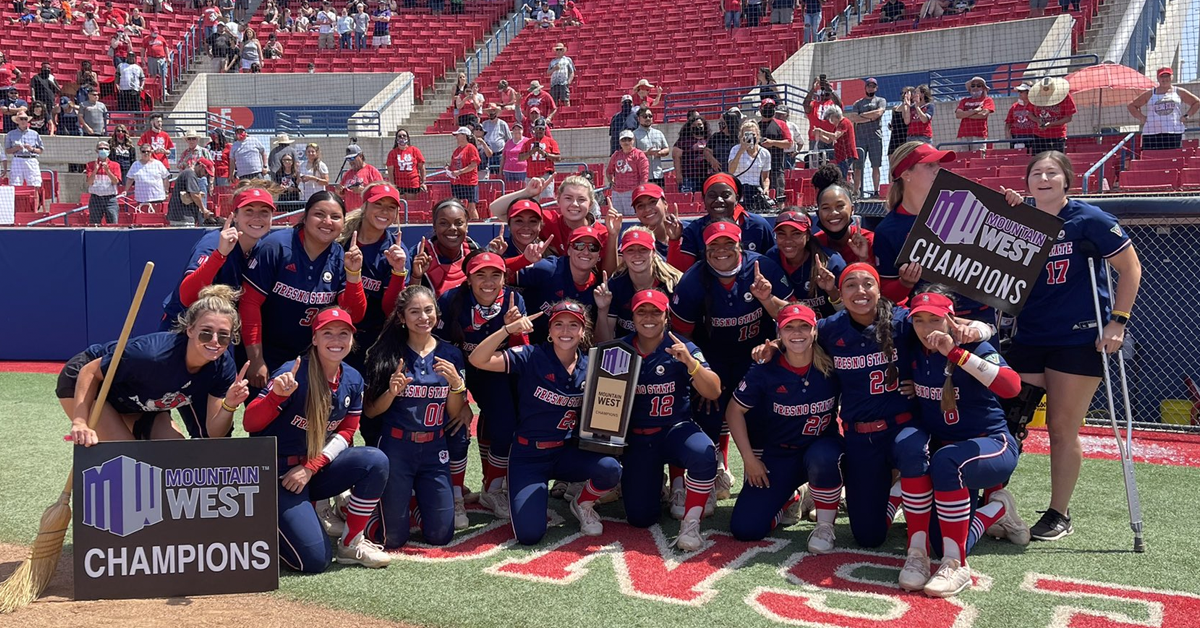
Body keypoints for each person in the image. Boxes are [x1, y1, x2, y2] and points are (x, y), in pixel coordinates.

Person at [999, 151, 1141, 541]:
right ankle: (992, 503)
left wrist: (1119, 321)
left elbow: (1130, 268)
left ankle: (1059, 512)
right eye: (1036, 173)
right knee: (1010, 421)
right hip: (1028, 335)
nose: (1043, 178)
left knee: (1062, 427)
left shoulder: (1089, 219)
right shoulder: (1021, 220)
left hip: (1076, 338)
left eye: (1052, 172)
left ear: (1066, 180)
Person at [893, 290, 1028, 597]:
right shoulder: (913, 347)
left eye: (935, 319)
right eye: (920, 321)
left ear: (951, 319)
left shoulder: (972, 344)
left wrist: (958, 352)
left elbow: (1011, 387)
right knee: (911, 448)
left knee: (945, 461)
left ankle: (957, 566)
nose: (928, 328)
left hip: (991, 445)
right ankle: (924, 551)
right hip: (950, 456)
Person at [244, 308, 392, 571]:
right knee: (314, 561)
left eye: (343, 334)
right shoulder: (293, 372)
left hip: (312, 470)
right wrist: (275, 397)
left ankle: (351, 543)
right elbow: (250, 423)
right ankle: (263, 521)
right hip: (278, 474)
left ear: (351, 340)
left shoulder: (353, 378)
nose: (336, 340)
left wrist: (311, 467)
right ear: (314, 338)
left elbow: (347, 432)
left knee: (374, 460)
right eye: (328, 333)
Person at [468, 300, 623, 544]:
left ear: (583, 332)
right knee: (529, 535)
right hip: (529, 455)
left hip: (566, 453)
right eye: (558, 324)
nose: (565, 331)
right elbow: (479, 360)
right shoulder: (532, 356)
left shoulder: (593, 364)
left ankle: (582, 502)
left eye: (573, 325)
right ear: (549, 330)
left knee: (610, 469)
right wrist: (507, 330)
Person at [670, 218, 793, 501]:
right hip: (714, 359)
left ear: (740, 245)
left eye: (729, 243)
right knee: (707, 407)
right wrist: (699, 369)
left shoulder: (763, 268)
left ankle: (781, 486)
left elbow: (792, 318)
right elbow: (681, 334)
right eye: (714, 245)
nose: (721, 250)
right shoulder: (693, 280)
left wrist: (768, 304)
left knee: (763, 419)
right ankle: (710, 474)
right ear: (704, 248)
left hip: (757, 359)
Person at [726, 303, 844, 552]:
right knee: (745, 529)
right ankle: (793, 497)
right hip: (780, 453)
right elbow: (734, 410)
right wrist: (749, 459)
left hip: (821, 450)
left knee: (823, 456)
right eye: (789, 327)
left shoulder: (832, 364)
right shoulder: (766, 367)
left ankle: (825, 525)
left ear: (814, 331)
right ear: (779, 332)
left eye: (804, 326)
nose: (797, 332)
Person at [66, 286, 247, 446]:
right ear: (190, 330)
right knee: (130, 458)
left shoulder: (222, 366)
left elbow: (215, 434)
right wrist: (79, 421)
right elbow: (90, 371)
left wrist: (229, 405)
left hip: (141, 403)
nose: (215, 341)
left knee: (175, 454)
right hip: (91, 384)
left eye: (223, 336)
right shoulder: (153, 355)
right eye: (206, 333)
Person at [611, 289, 720, 549]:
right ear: (632, 316)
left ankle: (691, 524)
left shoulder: (682, 347)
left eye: (655, 312)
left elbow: (714, 390)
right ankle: (654, 482)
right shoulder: (620, 350)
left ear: (666, 315)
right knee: (640, 518)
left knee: (704, 452)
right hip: (638, 439)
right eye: (642, 312)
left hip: (675, 430)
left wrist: (690, 364)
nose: (649, 317)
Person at [361, 285, 466, 547]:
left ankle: (419, 505)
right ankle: (370, 510)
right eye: (415, 311)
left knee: (441, 535)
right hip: (397, 446)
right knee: (392, 539)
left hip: (434, 447)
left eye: (428, 310)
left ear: (437, 313)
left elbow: (454, 413)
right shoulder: (387, 354)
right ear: (402, 318)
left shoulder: (451, 354)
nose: (423, 317)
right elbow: (371, 411)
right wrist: (391, 392)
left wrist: (456, 385)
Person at [240, 192, 368, 388]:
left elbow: (354, 314)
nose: (327, 221)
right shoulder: (277, 246)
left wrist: (354, 274)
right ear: (305, 216)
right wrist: (256, 358)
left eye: (335, 217)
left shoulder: (341, 257)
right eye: (319, 214)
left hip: (312, 356)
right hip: (268, 351)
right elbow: (249, 303)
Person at [160, 186, 275, 345]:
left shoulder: (261, 248)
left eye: (264, 212)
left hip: (218, 334)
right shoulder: (213, 243)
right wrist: (220, 254)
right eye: (248, 211)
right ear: (235, 216)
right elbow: (186, 297)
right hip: (183, 329)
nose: (257, 218)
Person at [512, 225, 604, 343]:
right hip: (532, 348)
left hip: (569, 351)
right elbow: (504, 276)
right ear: (569, 250)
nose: (586, 252)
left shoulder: (598, 289)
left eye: (593, 247)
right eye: (579, 246)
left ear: (599, 255)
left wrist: (604, 309)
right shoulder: (548, 269)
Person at [671, 172, 775, 271]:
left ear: (737, 198)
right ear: (704, 199)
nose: (719, 200)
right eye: (712, 195)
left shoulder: (758, 225)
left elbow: (774, 263)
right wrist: (674, 241)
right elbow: (680, 272)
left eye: (726, 195)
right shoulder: (694, 230)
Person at [594, 225, 682, 340]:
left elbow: (684, 334)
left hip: (666, 352)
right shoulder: (616, 284)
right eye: (630, 250)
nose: (637, 255)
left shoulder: (672, 284)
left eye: (643, 249)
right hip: (627, 351)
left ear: (654, 252)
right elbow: (604, 342)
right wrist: (603, 310)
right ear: (623, 255)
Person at [763, 210, 845, 318]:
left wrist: (831, 291)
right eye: (781, 234)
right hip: (790, 330)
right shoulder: (771, 258)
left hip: (827, 330)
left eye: (796, 234)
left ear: (807, 235)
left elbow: (847, 311)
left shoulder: (831, 262)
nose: (788, 240)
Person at [1128, 67, 1200, 151]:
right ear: (1158, 78)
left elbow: (1196, 102)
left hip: (1174, 132)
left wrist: (1186, 116)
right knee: (1151, 158)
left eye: (1167, 76)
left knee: (1173, 158)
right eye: (1162, 76)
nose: (1165, 79)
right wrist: (1142, 118)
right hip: (1152, 132)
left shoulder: (1179, 91)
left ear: (1172, 77)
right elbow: (1131, 105)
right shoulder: (1150, 93)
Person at [812, 175, 873, 265]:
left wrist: (863, 258)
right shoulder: (815, 244)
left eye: (840, 206)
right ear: (818, 214)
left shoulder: (870, 241)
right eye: (826, 208)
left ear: (852, 209)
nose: (833, 213)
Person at [847, 78, 887, 196]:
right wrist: (871, 117)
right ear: (865, 87)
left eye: (873, 86)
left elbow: (879, 113)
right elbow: (854, 118)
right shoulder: (858, 103)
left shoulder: (880, 100)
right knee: (858, 167)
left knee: (876, 165)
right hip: (860, 138)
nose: (871, 88)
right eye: (869, 86)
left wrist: (863, 116)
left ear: (876, 88)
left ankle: (875, 191)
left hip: (875, 137)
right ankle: (856, 191)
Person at [728, 121, 772, 211]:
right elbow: (731, 171)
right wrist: (741, 150)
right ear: (741, 136)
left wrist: (766, 188)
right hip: (738, 190)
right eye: (746, 134)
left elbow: (765, 177)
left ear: (758, 136)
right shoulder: (735, 149)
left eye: (753, 134)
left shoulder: (764, 153)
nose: (750, 137)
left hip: (754, 192)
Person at [606, 130, 650, 216]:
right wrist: (612, 181)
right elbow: (609, 171)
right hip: (617, 193)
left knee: (632, 217)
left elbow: (644, 176)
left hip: (631, 192)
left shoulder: (639, 155)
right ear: (620, 142)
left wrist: (640, 193)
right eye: (623, 140)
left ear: (633, 141)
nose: (626, 142)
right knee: (616, 217)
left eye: (629, 139)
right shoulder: (616, 155)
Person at [1028, 77, 1075, 154]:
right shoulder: (1034, 97)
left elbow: (1068, 118)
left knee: (1056, 160)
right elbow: (1030, 114)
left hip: (1057, 135)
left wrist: (1051, 124)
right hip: (1039, 135)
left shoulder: (1066, 97)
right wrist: (1038, 121)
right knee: (1038, 160)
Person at [518, 120, 560, 200]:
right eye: (537, 128)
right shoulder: (527, 143)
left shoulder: (551, 141)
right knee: (531, 202)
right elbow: (520, 158)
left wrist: (545, 154)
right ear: (534, 129)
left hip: (545, 177)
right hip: (531, 177)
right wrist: (531, 152)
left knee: (546, 201)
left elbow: (558, 158)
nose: (539, 131)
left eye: (541, 128)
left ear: (545, 129)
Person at [814, 105, 856, 183]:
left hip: (846, 155)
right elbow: (829, 140)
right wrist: (819, 135)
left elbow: (835, 136)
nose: (831, 121)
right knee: (841, 176)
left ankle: (846, 192)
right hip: (841, 156)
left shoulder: (844, 123)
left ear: (834, 116)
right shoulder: (838, 126)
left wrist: (821, 131)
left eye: (831, 118)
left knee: (842, 177)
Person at [448, 126, 482, 221]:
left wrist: (460, 172)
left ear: (464, 136)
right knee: (459, 207)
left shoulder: (471, 148)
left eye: (458, 135)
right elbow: (453, 165)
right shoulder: (457, 150)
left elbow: (473, 165)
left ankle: (476, 225)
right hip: (457, 183)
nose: (456, 137)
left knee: (471, 208)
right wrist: (449, 169)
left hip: (469, 182)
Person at [672, 115, 712, 194]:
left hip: (705, 176)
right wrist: (678, 174)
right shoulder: (683, 141)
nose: (698, 127)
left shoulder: (709, 140)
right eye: (695, 125)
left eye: (700, 125)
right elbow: (676, 156)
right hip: (688, 177)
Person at [167, 159, 214, 227]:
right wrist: (204, 210)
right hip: (183, 217)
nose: (205, 175)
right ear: (201, 166)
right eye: (205, 172)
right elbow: (195, 195)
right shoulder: (190, 174)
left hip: (180, 217)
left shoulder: (188, 173)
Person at [86, 141, 123, 224]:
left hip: (110, 199)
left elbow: (115, 181)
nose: (103, 150)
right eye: (100, 148)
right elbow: (89, 182)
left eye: (106, 148)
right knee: (94, 224)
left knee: (113, 224)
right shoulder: (90, 164)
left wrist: (107, 170)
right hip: (95, 199)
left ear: (109, 151)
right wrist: (95, 169)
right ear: (96, 150)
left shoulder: (115, 165)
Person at [125, 143, 170, 209]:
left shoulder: (158, 164)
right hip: (141, 199)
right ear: (140, 152)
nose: (146, 153)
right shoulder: (135, 164)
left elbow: (165, 178)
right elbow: (130, 179)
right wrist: (125, 190)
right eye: (143, 151)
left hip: (157, 197)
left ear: (151, 152)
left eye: (148, 151)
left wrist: (166, 191)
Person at [5, 113, 44, 191]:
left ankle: (35, 202)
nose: (23, 121)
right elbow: (7, 150)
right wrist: (16, 148)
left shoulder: (34, 134)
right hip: (17, 159)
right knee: (15, 184)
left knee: (35, 184)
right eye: (21, 119)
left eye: (25, 119)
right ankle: (17, 202)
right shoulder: (10, 134)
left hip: (31, 159)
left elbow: (41, 150)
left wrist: (31, 149)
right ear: (17, 120)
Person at [955, 77, 995, 153]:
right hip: (963, 135)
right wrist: (975, 111)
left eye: (978, 85)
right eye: (973, 86)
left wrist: (966, 114)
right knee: (962, 159)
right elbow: (958, 115)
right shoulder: (964, 100)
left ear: (983, 88)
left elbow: (983, 114)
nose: (975, 87)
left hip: (979, 135)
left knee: (978, 159)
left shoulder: (987, 100)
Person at [633, 108, 670, 187]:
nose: (648, 118)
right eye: (645, 116)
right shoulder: (634, 134)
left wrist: (660, 153)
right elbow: (632, 154)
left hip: (658, 174)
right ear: (638, 118)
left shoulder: (658, 133)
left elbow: (667, 149)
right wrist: (646, 153)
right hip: (642, 176)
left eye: (650, 116)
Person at [387, 128, 426, 197]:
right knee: (401, 205)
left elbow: (422, 168)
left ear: (407, 137)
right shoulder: (392, 153)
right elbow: (390, 172)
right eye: (399, 136)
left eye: (404, 135)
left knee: (411, 205)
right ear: (396, 139)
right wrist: (392, 185)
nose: (402, 137)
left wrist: (423, 182)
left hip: (412, 184)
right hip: (399, 185)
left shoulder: (415, 150)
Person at [481, 104, 510, 177]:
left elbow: (508, 139)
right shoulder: (484, 124)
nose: (491, 113)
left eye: (493, 111)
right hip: (487, 155)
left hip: (499, 154)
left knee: (500, 174)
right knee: (488, 174)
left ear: (496, 113)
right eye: (490, 111)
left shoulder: (502, 124)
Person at [1006, 83, 1037, 151]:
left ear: (1028, 92)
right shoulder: (1014, 106)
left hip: (1032, 136)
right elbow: (1008, 122)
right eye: (1019, 91)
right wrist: (1008, 134)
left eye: (1021, 91)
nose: (1019, 93)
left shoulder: (1035, 106)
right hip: (1017, 137)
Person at [547, 42, 574, 107]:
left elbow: (572, 72)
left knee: (566, 100)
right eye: (557, 49)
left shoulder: (568, 60)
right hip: (554, 83)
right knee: (554, 101)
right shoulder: (552, 61)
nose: (559, 51)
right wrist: (554, 69)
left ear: (563, 50)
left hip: (563, 83)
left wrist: (569, 81)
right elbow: (548, 73)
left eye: (560, 49)